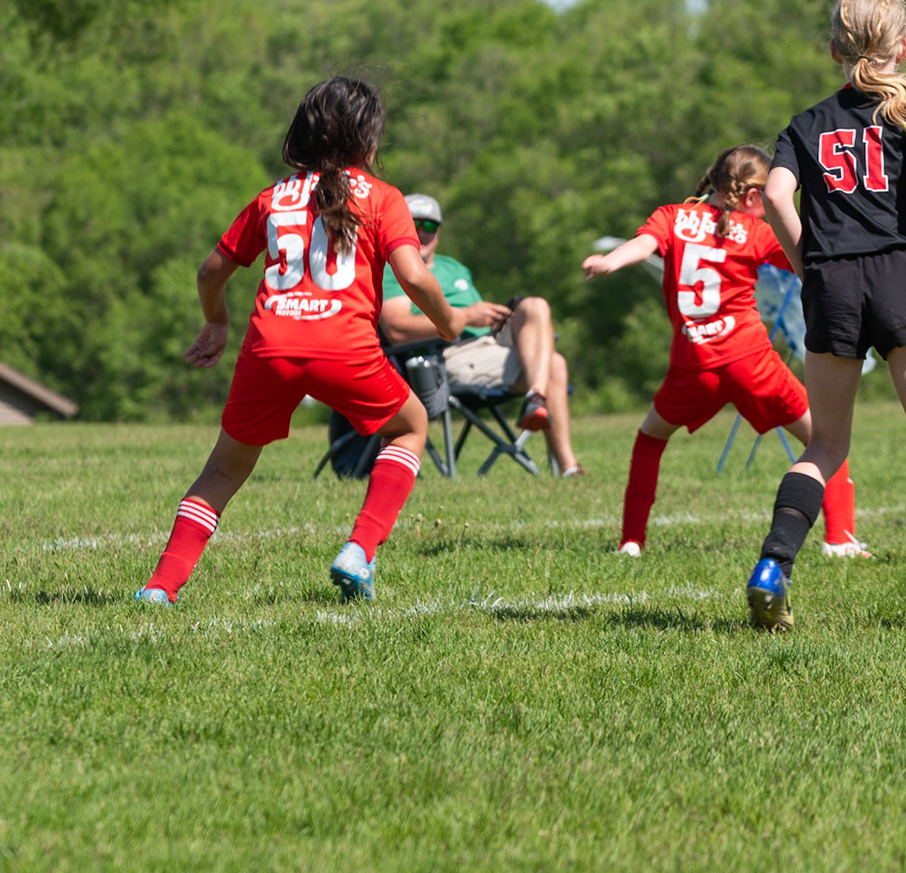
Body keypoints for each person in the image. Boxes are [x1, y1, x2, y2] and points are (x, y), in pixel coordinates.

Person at [137, 77, 461, 607]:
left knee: (223, 469)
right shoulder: (383, 198)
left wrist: (216, 323)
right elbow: (417, 277)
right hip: (347, 347)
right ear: (369, 141)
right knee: (410, 426)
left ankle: (159, 587)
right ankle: (359, 549)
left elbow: (208, 273)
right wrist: (449, 323)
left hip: (271, 346)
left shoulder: (271, 197)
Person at [744, 0, 906, 631]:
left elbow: (776, 198)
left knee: (825, 443)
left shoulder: (806, 125)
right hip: (903, 275)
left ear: (836, 51)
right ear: (905, 48)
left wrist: (811, 268)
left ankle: (773, 565)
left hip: (833, 283)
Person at [583, 145, 866, 558]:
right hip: (751, 363)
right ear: (752, 197)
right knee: (827, 440)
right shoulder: (756, 232)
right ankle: (840, 539)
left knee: (649, 439)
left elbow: (642, 246)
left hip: (693, 365)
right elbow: (815, 261)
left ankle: (631, 541)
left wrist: (610, 262)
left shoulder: (672, 216)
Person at [379, 193, 582, 476]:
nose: (422, 234)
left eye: (430, 227)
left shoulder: (455, 267)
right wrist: (465, 317)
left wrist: (492, 318)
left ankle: (536, 399)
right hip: (446, 352)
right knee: (555, 365)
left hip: (489, 341)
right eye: (414, 225)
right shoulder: (393, 268)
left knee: (535, 306)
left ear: (438, 233)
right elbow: (397, 328)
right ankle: (568, 467)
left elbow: (478, 317)